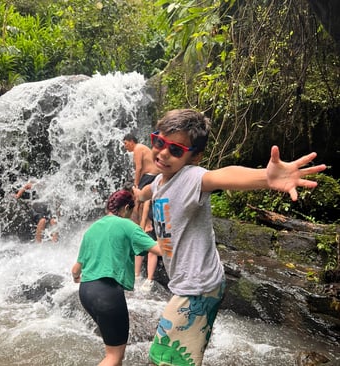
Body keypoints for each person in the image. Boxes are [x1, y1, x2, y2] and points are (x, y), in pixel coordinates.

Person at [132, 109, 327, 366]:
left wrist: (266, 177)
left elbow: (223, 175)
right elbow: (149, 191)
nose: (164, 153)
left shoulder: (191, 178)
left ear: (195, 157)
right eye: (159, 142)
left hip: (198, 285)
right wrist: (138, 195)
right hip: (193, 280)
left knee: (166, 356)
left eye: (177, 150)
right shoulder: (159, 181)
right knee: (181, 358)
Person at [71, 190, 162, 366]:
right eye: (132, 210)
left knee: (113, 351)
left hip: (86, 292)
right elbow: (160, 250)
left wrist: (76, 278)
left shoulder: (92, 229)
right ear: (127, 208)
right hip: (107, 293)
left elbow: (76, 269)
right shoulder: (127, 225)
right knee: (114, 356)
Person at [123, 134, 160, 290]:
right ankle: (137, 274)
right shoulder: (142, 148)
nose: (125, 146)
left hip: (150, 176)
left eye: (125, 143)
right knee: (141, 201)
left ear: (132, 141)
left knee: (139, 199)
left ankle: (145, 223)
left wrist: (136, 184)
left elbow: (138, 167)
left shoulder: (138, 149)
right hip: (152, 176)